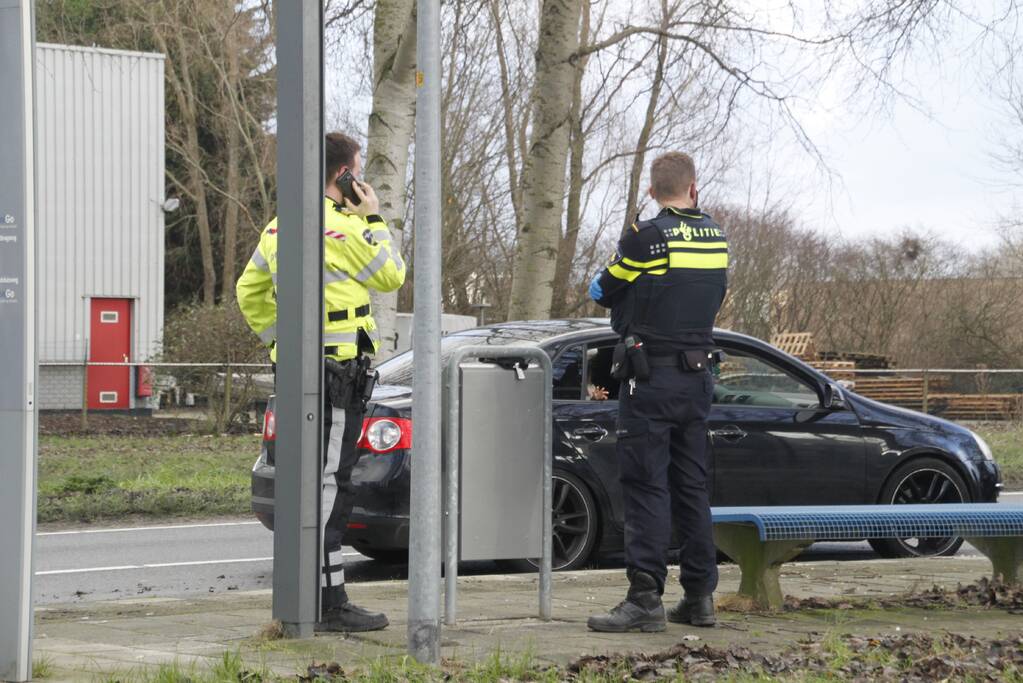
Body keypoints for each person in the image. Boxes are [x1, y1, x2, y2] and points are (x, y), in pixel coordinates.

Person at [236, 132, 406, 632]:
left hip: (300, 375)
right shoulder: (346, 230)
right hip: (337, 378)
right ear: (345, 175)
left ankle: (319, 596)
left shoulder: (278, 227)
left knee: (308, 481)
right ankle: (328, 604)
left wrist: (282, 347)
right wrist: (372, 216)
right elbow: (391, 275)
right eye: (356, 171)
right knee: (332, 484)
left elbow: (250, 292)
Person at [586, 152, 728, 633]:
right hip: (697, 379)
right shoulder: (717, 237)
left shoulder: (645, 238)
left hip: (650, 379)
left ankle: (645, 598)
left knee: (646, 485)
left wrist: (630, 250)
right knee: (691, 486)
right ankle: (700, 597)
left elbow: (601, 291)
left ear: (652, 191)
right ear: (694, 188)